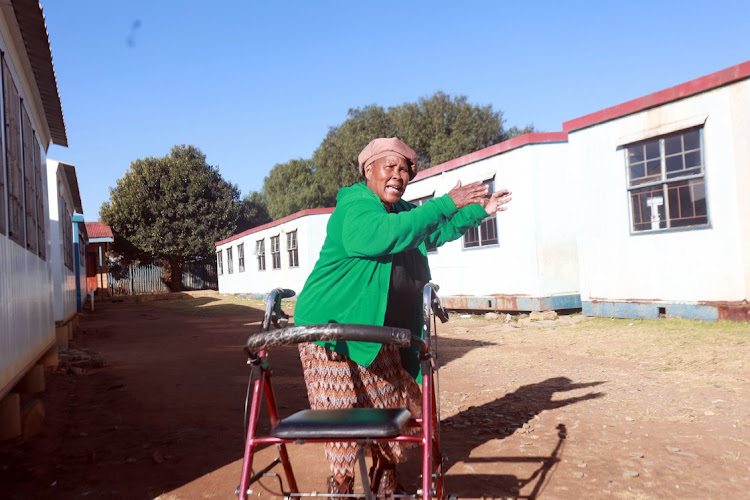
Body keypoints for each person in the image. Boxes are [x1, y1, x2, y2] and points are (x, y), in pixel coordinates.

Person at [293, 137, 512, 496]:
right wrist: (446, 202)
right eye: (389, 167)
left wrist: (479, 210)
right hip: (333, 330)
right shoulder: (356, 207)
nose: (398, 176)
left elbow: (431, 230)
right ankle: (342, 485)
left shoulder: (399, 211)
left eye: (405, 170)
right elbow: (385, 236)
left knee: (393, 403)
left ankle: (384, 476)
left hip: (381, 331)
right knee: (343, 413)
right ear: (368, 170)